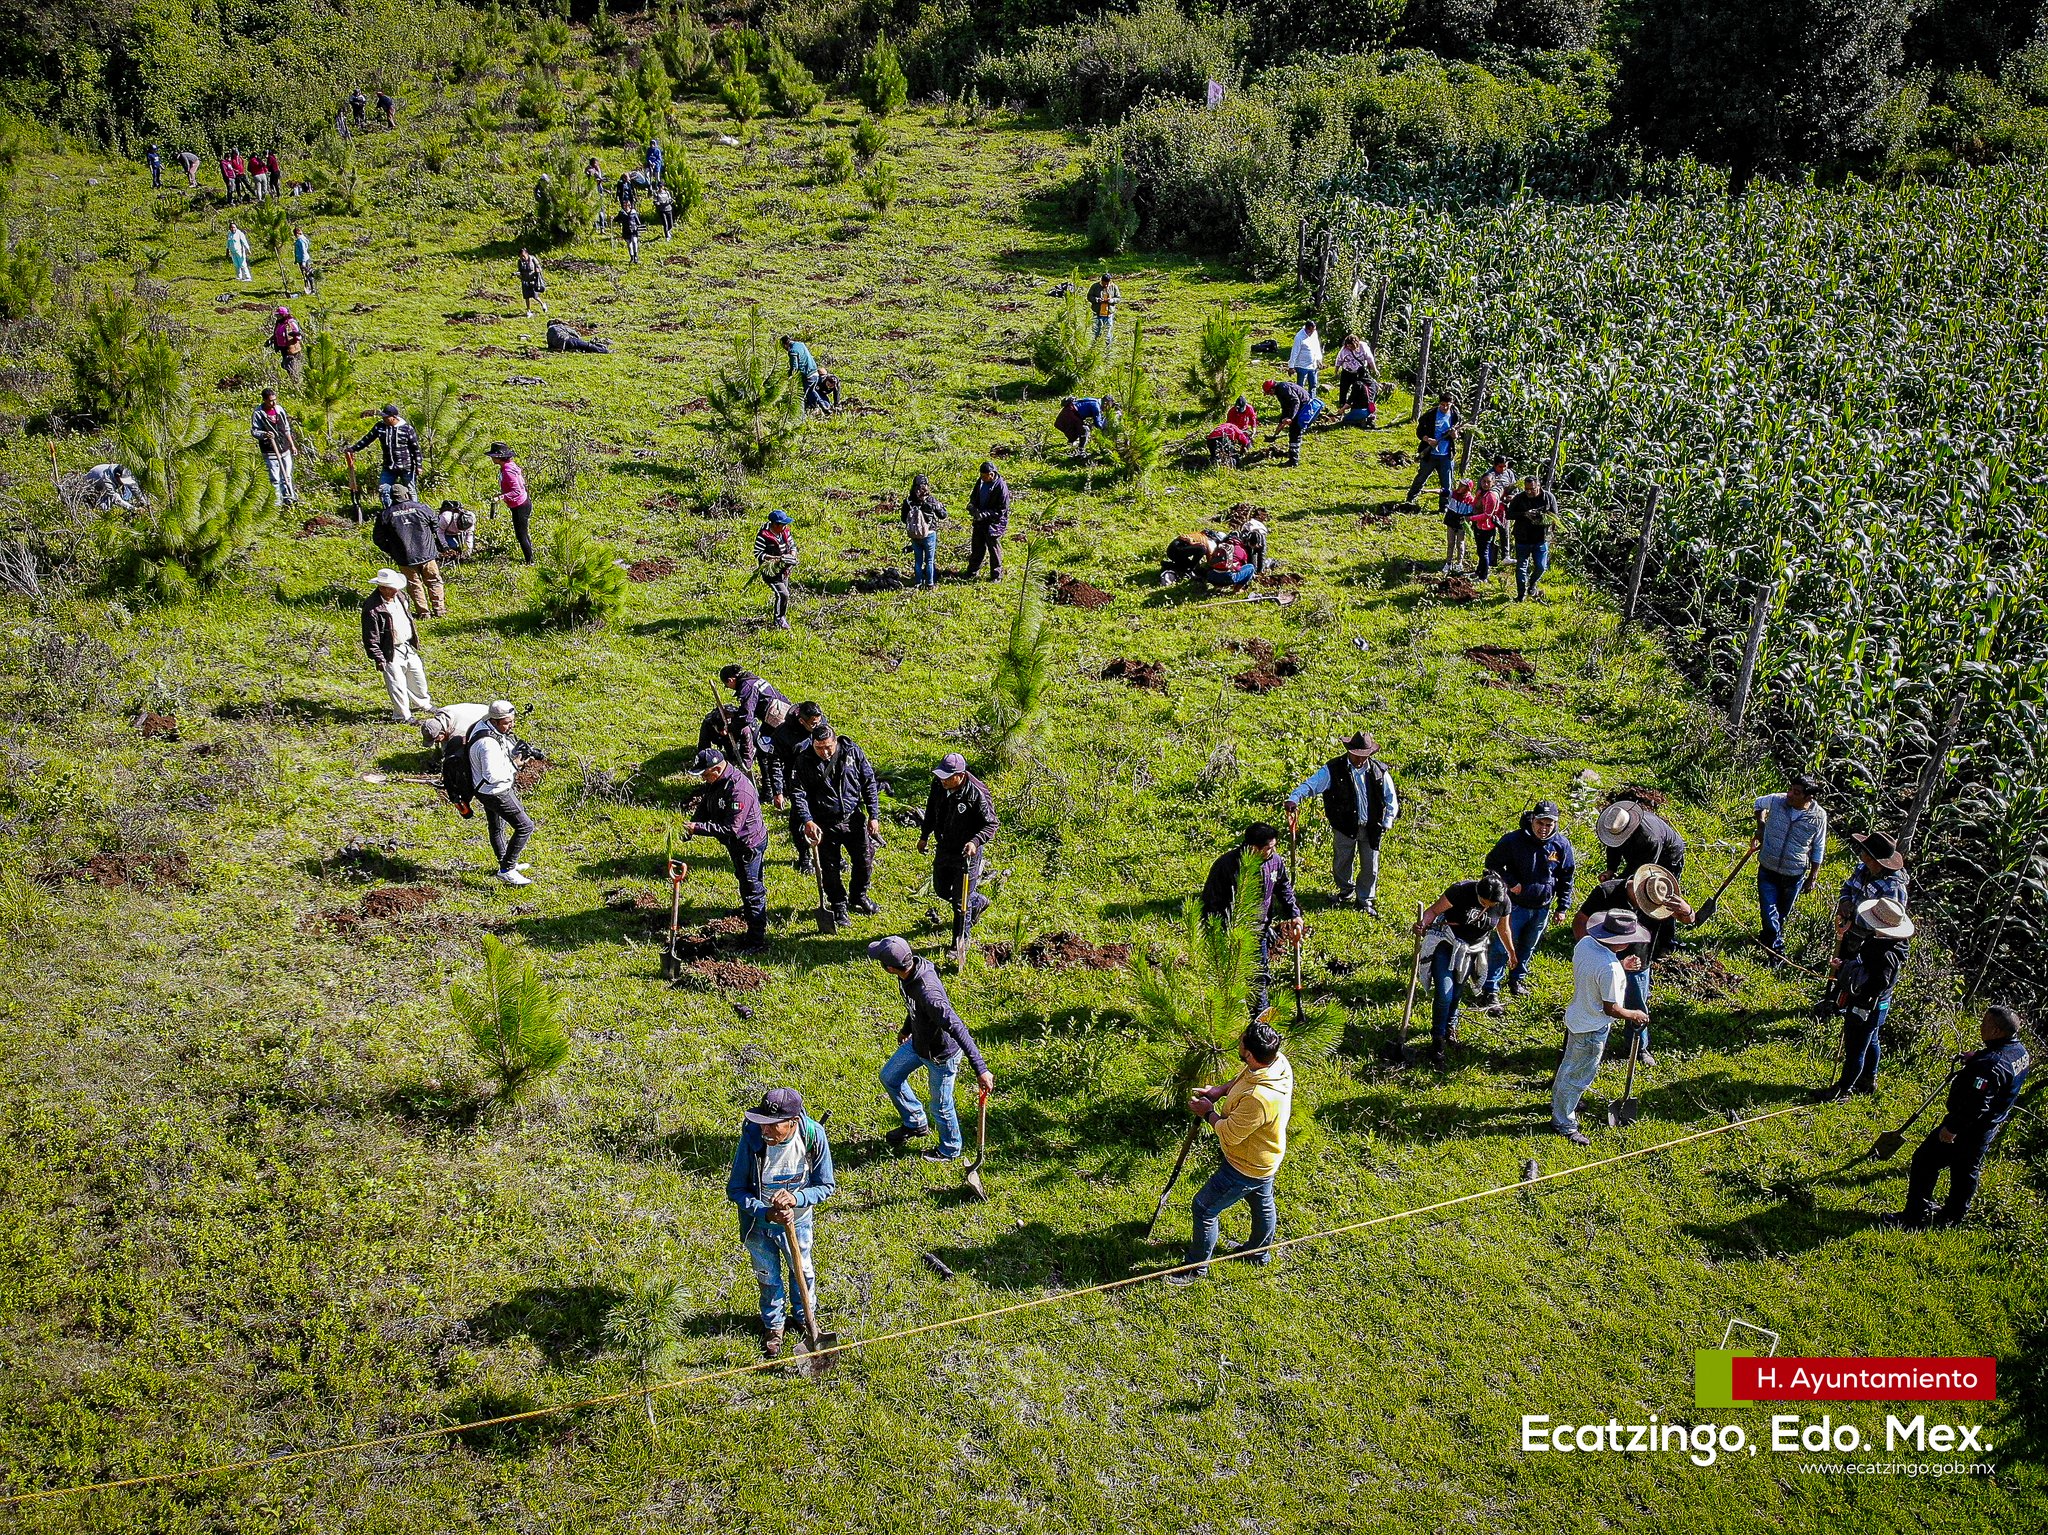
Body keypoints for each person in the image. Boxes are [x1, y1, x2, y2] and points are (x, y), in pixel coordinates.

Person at [1167, 1019, 1293, 1286]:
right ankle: (1258, 1254)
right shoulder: (1276, 1061)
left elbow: (1229, 1133)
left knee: (1204, 1208)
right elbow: (1244, 1075)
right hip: (1266, 1158)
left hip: (1245, 1165)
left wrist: (1207, 1113)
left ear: (1249, 1054)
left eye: (1241, 1042)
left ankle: (1195, 1268)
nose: (1238, 1041)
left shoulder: (1259, 1098)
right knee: (1262, 1203)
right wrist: (1219, 1091)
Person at [1895, 1006, 2031, 1229]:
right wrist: (1978, 1056)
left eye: (1985, 1024)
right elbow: (2000, 1069)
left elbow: (1976, 1104)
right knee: (1965, 1171)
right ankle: (1952, 1216)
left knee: (1924, 1161)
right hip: (1990, 1125)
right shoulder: (2020, 1052)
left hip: (1969, 1128)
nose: (1980, 1026)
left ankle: (1913, 1217)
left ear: (1997, 1032)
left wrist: (1952, 1129)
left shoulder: (1991, 1065)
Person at [726, 1087, 835, 1358]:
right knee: (768, 1276)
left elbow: (826, 1185)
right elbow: (736, 1189)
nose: (766, 1131)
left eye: (774, 1126)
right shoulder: (752, 1138)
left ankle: (804, 1317)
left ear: (793, 1122)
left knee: (803, 1273)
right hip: (759, 1226)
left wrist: (797, 1199)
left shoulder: (813, 1136)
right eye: (764, 1123)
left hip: (799, 1224)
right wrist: (765, 1212)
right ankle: (774, 1326)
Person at [870, 935, 995, 1160]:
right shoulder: (909, 972)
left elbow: (958, 1029)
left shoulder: (930, 996)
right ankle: (915, 1122)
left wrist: (981, 1069)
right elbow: (913, 1005)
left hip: (941, 1056)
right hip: (919, 1043)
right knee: (889, 1076)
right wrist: (907, 1028)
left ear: (889, 968)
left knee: (941, 1106)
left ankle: (950, 1149)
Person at [1574, 862, 1693, 1068]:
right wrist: (1594, 952)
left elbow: (1689, 919)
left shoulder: (1660, 899)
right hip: (1605, 961)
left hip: (1639, 962)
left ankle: (1638, 1048)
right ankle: (1592, 1045)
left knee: (1637, 1002)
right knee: (1597, 1004)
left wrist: (1687, 910)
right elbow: (1580, 921)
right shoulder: (1607, 892)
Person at [1552, 911, 1652, 1145]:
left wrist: (1620, 965)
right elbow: (1612, 1008)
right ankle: (1564, 1122)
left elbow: (1596, 971)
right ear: (1620, 941)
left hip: (1576, 1017)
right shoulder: (1610, 968)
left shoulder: (1586, 943)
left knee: (1568, 1068)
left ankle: (1562, 1103)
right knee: (1577, 1076)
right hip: (1591, 1028)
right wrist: (1633, 1013)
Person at [1285, 731, 1399, 915]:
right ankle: (1345, 890)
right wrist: (1294, 798)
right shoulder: (1333, 769)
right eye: (1358, 754)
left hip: (1371, 827)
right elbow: (1311, 785)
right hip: (1344, 825)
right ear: (1350, 751)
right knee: (1342, 861)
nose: (1361, 759)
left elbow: (1390, 798)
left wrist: (1387, 821)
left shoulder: (1379, 771)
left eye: (1365, 755)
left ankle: (1365, 899)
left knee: (1371, 866)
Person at [1201, 823, 1303, 1019]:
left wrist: (1294, 913)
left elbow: (1284, 888)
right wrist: (1215, 931)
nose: (1272, 850)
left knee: (1259, 976)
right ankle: (1228, 1021)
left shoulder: (1275, 862)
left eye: (1274, 846)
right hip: (1230, 932)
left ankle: (1259, 1021)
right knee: (1230, 980)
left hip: (1260, 931)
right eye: (1268, 847)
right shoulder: (1226, 866)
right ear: (1253, 847)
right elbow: (1211, 902)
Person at [1412, 872, 1514, 1067]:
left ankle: (1451, 1027)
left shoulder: (1503, 901)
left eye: (1491, 905)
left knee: (1458, 992)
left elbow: (1504, 928)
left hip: (1471, 952)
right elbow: (1433, 911)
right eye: (1484, 902)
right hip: (1447, 945)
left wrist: (1511, 952)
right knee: (1445, 993)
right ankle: (1438, 1037)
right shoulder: (1461, 890)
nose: (1488, 906)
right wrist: (1423, 924)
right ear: (1478, 892)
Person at [1482, 801, 1577, 1004]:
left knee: (1528, 946)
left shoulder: (1561, 845)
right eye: (1540, 823)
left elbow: (1567, 877)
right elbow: (1492, 864)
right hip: (1512, 906)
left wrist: (1562, 907)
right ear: (1532, 820)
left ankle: (1517, 979)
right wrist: (1510, 882)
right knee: (1501, 947)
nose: (1543, 829)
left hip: (1542, 907)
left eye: (1548, 825)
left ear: (1555, 824)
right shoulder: (1513, 840)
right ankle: (1490, 988)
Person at [792, 724, 883, 925]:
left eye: (828, 747)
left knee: (864, 860)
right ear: (812, 744)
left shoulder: (852, 752)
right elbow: (798, 794)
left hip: (853, 819)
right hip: (824, 824)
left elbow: (868, 782)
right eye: (819, 748)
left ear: (835, 743)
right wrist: (807, 820)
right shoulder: (803, 760)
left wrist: (873, 815)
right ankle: (838, 905)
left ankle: (859, 895)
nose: (824, 752)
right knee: (830, 869)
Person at [681, 748, 769, 950]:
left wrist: (697, 828)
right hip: (736, 845)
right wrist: (691, 826)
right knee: (745, 880)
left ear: (717, 768)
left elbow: (731, 828)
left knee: (752, 889)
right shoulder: (716, 781)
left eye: (704, 774)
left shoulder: (739, 790)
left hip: (748, 845)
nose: (703, 779)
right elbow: (705, 805)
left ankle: (756, 940)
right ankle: (751, 913)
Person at [1826, 897, 1913, 1099]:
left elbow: (1875, 981)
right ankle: (1868, 1079)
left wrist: (1846, 969)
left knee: (1855, 1049)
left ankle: (1843, 1090)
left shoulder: (1880, 951)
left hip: (1866, 1006)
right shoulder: (1899, 945)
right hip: (1881, 1005)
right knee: (1871, 1040)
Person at [921, 752, 998, 964]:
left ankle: (958, 943)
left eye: (947, 777)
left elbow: (991, 824)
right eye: (941, 776)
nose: (942, 780)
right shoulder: (940, 785)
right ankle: (978, 901)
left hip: (967, 854)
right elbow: (930, 810)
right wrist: (924, 836)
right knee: (941, 889)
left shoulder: (977, 793)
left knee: (960, 902)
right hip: (944, 847)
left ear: (960, 775)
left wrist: (975, 841)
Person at [1755, 773, 1828, 956]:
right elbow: (1758, 804)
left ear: (1808, 797)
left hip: (1794, 874)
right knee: (1768, 912)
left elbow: (1819, 846)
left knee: (1781, 914)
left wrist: (1813, 875)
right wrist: (1761, 826)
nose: (1789, 794)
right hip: (1768, 868)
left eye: (1796, 792)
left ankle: (1766, 938)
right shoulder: (1776, 801)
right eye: (1790, 789)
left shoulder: (1818, 816)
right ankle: (1777, 952)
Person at [468, 700, 536, 885]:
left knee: (497, 826)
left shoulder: (483, 725)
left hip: (482, 789)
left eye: (512, 721)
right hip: (495, 791)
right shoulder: (487, 744)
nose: (511, 725)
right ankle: (507, 869)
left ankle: (504, 861)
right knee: (525, 827)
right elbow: (492, 775)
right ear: (495, 721)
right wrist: (515, 765)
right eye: (506, 723)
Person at [360, 570, 432, 725]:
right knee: (397, 684)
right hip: (389, 650)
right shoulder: (372, 608)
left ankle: (423, 704)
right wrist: (378, 657)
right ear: (382, 588)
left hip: (406, 645)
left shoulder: (400, 597)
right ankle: (402, 716)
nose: (395, 590)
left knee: (417, 674)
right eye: (391, 588)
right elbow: (370, 636)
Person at [765, 700, 825, 873]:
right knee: (798, 824)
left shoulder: (820, 725)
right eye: (813, 723)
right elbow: (774, 763)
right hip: (798, 784)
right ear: (801, 721)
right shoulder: (783, 735)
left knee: (827, 820)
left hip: (823, 781)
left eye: (819, 721)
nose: (817, 726)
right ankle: (805, 857)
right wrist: (778, 791)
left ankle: (832, 856)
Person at [369, 491, 445, 618]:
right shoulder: (422, 508)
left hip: (405, 558)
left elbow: (378, 538)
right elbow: (436, 524)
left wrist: (391, 550)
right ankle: (439, 610)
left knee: (414, 585)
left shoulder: (385, 515)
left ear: (392, 497)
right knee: (434, 581)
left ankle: (423, 613)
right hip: (427, 554)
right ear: (407, 495)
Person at [717, 665, 793, 782]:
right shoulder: (752, 679)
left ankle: (774, 787)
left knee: (766, 752)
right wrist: (734, 714)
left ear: (730, 680)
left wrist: (730, 728)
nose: (728, 687)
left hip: (778, 721)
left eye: (726, 685)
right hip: (783, 713)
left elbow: (746, 717)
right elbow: (752, 708)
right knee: (766, 750)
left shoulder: (746, 686)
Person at [348, 404, 422, 510]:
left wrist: (418, 466)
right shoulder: (380, 427)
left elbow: (416, 449)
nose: (384, 419)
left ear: (393, 417)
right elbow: (367, 439)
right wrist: (353, 449)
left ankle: (415, 512)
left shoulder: (407, 429)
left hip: (406, 467)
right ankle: (389, 513)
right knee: (384, 490)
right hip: (389, 467)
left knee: (410, 491)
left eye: (386, 417)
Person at [1837, 829, 1908, 938]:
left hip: (1870, 940)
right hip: (1849, 930)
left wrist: (1853, 917)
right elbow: (1848, 885)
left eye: (1864, 850)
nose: (1860, 851)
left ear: (1871, 857)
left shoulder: (1892, 888)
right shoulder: (1862, 869)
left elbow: (1887, 923)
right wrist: (1845, 901)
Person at [1406, 394, 1459, 515]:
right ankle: (1410, 499)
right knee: (1421, 478)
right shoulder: (1430, 415)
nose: (1445, 407)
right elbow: (1420, 432)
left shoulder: (1455, 416)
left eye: (1447, 405)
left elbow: (1456, 435)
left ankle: (1444, 506)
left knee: (1447, 483)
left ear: (1452, 404)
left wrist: (1454, 436)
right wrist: (1428, 440)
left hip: (1446, 455)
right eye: (1443, 405)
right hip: (1430, 454)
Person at [1506, 476, 1557, 601]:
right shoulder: (1519, 498)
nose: (1529, 492)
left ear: (1538, 486)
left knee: (1541, 566)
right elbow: (1509, 514)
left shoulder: (1548, 497)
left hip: (1540, 538)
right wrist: (1524, 514)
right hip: (1522, 538)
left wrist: (1543, 518)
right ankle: (1520, 595)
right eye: (1527, 489)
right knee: (1521, 567)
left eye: (1532, 489)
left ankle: (1532, 584)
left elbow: (1555, 516)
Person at [485, 442, 535, 564]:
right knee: (523, 533)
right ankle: (530, 557)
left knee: (521, 535)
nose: (491, 458)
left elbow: (516, 491)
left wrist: (501, 497)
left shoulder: (507, 470)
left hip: (520, 505)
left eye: (493, 456)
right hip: (521, 503)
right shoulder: (509, 466)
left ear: (499, 457)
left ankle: (530, 561)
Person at [250, 388, 299, 510]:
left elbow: (286, 429)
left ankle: (289, 499)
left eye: (275, 400)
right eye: (271, 401)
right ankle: (277, 504)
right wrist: (265, 435)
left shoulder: (279, 410)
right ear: (265, 400)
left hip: (284, 449)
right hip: (270, 451)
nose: (273, 403)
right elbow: (254, 431)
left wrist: (292, 445)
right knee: (275, 479)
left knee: (287, 476)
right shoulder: (259, 413)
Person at [900, 473, 946, 590]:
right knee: (929, 560)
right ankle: (930, 584)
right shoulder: (930, 500)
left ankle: (918, 583)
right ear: (926, 485)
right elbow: (943, 515)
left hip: (915, 535)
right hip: (929, 534)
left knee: (918, 561)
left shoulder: (908, 501)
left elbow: (903, 518)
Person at [1261, 377, 1321, 467]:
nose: (1270, 395)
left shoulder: (1283, 389)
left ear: (1272, 388)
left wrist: (1290, 418)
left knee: (1295, 433)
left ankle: (1293, 461)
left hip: (1304, 408)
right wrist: (1281, 421)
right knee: (1293, 432)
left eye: (1269, 393)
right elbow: (1285, 407)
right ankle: (1291, 454)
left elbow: (1295, 402)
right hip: (1300, 408)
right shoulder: (1280, 391)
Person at [965, 462, 1010, 581]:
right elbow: (974, 496)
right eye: (981, 476)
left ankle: (996, 576)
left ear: (992, 474)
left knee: (994, 551)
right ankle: (972, 572)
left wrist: (985, 515)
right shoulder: (980, 482)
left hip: (994, 523)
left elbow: (1001, 510)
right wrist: (972, 506)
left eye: (985, 476)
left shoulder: (1001, 487)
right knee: (977, 547)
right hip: (980, 521)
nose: (983, 478)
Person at [754, 509, 797, 628]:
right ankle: (779, 619)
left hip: (784, 571)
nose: (785, 527)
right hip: (771, 572)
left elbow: (792, 545)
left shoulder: (785, 533)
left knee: (783, 594)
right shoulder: (763, 536)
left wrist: (792, 556)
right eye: (783, 524)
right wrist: (776, 558)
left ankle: (781, 615)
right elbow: (758, 553)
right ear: (775, 524)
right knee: (783, 594)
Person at [782, 335, 832, 416]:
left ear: (785, 345)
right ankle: (824, 407)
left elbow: (794, 368)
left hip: (807, 376)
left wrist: (788, 377)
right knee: (812, 391)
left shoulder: (792, 351)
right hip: (815, 373)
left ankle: (801, 416)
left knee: (800, 396)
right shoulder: (801, 344)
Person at [418, 701, 489, 753]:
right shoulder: (442, 712)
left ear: (441, 734)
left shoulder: (459, 732)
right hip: (479, 710)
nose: (436, 742)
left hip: (489, 720)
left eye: (436, 740)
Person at [1469, 474, 1503, 581]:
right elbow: (1474, 504)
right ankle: (1479, 571)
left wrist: (1471, 518)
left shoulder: (1491, 495)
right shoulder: (1482, 493)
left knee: (1484, 552)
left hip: (1487, 527)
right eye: (1484, 481)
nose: (1485, 484)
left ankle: (1484, 576)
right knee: (1480, 551)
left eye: (1488, 482)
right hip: (1479, 526)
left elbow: (1488, 514)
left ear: (1493, 483)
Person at [1334, 333, 1375, 415]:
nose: (1349, 348)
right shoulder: (1344, 350)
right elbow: (1339, 360)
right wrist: (1336, 371)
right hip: (1347, 371)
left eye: (1351, 346)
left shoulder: (1363, 347)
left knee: (1357, 389)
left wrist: (1374, 369)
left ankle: (1355, 406)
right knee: (1343, 389)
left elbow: (1369, 358)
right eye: (1348, 346)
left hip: (1359, 373)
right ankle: (1342, 406)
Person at [1444, 478, 1478, 573]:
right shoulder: (1453, 494)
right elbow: (1443, 491)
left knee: (1460, 544)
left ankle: (1459, 563)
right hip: (1451, 521)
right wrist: (1427, 491)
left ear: (1468, 488)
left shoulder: (1471, 500)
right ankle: (1448, 563)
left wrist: (1467, 521)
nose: (1460, 487)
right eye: (1460, 484)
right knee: (1450, 543)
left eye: (1462, 485)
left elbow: (1472, 513)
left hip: (1461, 524)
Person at [270, 306, 305, 385]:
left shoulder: (290, 322)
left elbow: (298, 334)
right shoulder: (279, 323)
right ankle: (294, 381)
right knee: (287, 366)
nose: (277, 317)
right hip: (283, 348)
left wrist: (295, 335)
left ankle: (296, 382)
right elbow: (276, 333)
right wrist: (271, 340)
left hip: (291, 348)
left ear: (284, 315)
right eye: (277, 315)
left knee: (290, 365)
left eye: (279, 315)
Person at [1289, 320, 1323, 394]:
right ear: (1308, 328)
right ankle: (1301, 402)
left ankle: (1312, 401)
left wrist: (1319, 359)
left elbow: (1316, 346)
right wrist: (1291, 366)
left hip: (1313, 365)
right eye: (1311, 330)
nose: (1313, 332)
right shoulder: (1299, 337)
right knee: (1300, 387)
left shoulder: (1314, 333)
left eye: (1314, 330)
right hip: (1302, 365)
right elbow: (1295, 352)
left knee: (1313, 385)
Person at [1086, 271, 1120, 342]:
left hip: (1109, 314)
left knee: (1108, 334)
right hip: (1097, 313)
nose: (1106, 285)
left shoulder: (1114, 287)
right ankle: (1095, 348)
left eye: (1108, 284)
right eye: (1105, 284)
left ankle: (1107, 350)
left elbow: (1118, 298)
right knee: (1096, 332)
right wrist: (1097, 300)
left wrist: (1111, 300)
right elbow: (1089, 297)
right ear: (1102, 281)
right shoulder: (1095, 286)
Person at [515, 248, 546, 317]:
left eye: (523, 256)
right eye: (521, 256)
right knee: (526, 297)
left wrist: (538, 270)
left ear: (527, 254)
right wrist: (517, 274)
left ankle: (542, 304)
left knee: (535, 296)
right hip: (525, 281)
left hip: (533, 280)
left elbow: (539, 267)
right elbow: (519, 270)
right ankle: (528, 310)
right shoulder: (520, 262)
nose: (522, 257)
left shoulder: (532, 259)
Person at [292, 225, 314, 295]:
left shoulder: (300, 240)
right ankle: (308, 288)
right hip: (301, 260)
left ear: (297, 234)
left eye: (295, 235)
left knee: (307, 274)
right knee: (305, 275)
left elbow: (303, 251)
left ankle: (312, 289)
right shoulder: (302, 239)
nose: (295, 236)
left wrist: (303, 263)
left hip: (303, 260)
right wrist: (296, 260)